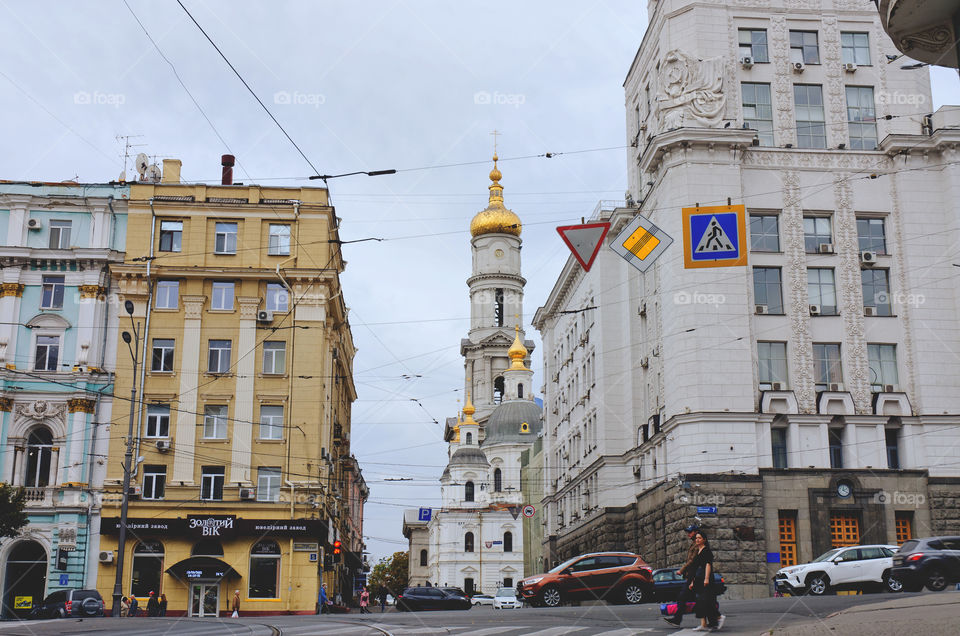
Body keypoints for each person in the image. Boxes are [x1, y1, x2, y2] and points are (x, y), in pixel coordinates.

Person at [663, 524, 701, 628]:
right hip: (692, 575)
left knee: (683, 597)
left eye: (690, 531)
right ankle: (712, 616)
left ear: (696, 532)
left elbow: (692, 561)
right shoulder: (694, 543)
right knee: (694, 598)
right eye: (688, 532)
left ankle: (714, 616)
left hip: (694, 575)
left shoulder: (697, 544)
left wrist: (681, 570)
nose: (688, 534)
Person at [688, 531, 725, 632]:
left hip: (706, 579)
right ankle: (703, 624)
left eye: (699, 538)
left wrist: (706, 578)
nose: (697, 540)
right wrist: (693, 581)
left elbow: (708, 565)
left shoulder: (706, 550)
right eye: (696, 538)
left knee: (706, 601)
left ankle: (719, 617)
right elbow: (697, 568)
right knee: (700, 601)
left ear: (704, 539)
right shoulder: (698, 551)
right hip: (699, 579)